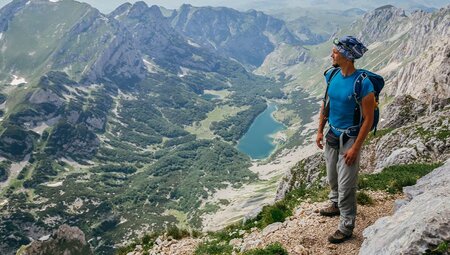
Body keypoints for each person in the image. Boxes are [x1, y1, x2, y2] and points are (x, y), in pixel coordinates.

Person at [316, 36, 375, 244]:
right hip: (332, 134)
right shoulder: (331, 75)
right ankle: (334, 204)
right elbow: (326, 104)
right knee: (332, 178)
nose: (332, 54)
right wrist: (320, 130)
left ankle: (346, 226)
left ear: (347, 57)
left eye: (335, 52)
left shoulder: (363, 84)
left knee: (346, 185)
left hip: (349, 140)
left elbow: (368, 120)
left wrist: (355, 148)